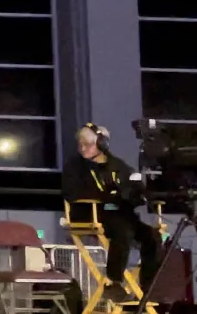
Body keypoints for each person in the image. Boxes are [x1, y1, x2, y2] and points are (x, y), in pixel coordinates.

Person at [62, 123, 161, 300]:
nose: (82, 148)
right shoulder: (74, 167)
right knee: (122, 230)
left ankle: (148, 288)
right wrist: (109, 195)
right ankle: (114, 282)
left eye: (87, 144)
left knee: (152, 236)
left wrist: (136, 193)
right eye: (80, 144)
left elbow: (133, 186)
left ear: (102, 144)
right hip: (90, 212)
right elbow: (72, 193)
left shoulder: (118, 165)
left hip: (119, 213)